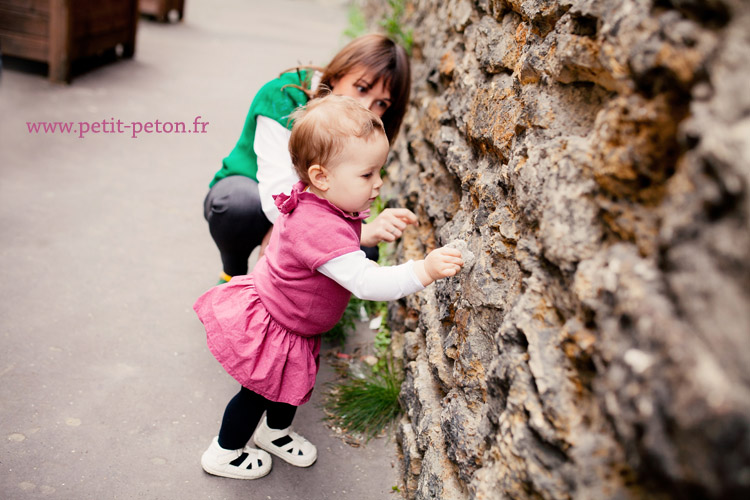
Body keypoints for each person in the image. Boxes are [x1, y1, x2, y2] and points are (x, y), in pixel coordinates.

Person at [194, 95, 464, 479]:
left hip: (295, 322)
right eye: (367, 175)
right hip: (278, 325)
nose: (379, 183)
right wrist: (424, 269)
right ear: (321, 176)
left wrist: (371, 228)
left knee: (291, 382)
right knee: (256, 393)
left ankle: (275, 432)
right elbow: (366, 280)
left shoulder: (320, 201)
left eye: (379, 172)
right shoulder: (318, 224)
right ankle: (225, 452)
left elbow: (341, 242)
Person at [204, 34, 414, 283]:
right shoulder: (283, 96)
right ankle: (232, 275)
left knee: (362, 250)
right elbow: (277, 193)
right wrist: (281, 231)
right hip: (255, 195)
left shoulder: (365, 131)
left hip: (313, 205)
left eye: (381, 103)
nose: (367, 107)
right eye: (361, 88)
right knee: (238, 206)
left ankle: (299, 305)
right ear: (337, 74)